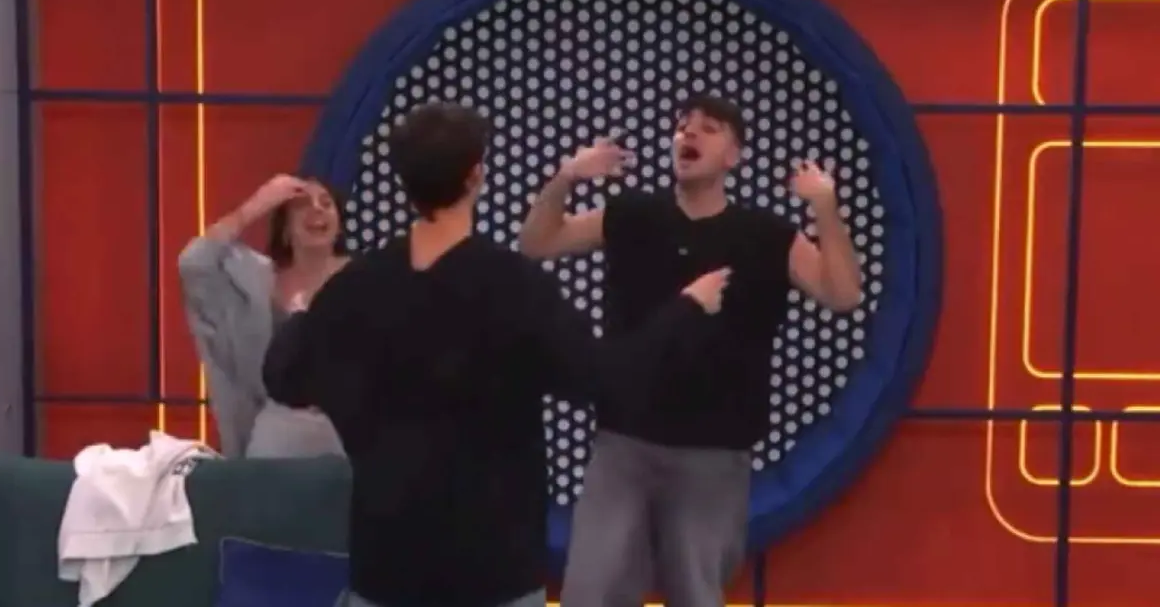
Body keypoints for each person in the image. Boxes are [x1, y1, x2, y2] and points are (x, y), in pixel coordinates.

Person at [274, 101, 730, 607]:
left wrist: (301, 317)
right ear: (476, 176)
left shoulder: (354, 288)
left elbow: (284, 377)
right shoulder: (515, 287)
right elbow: (603, 376)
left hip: (387, 566)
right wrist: (685, 309)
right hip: (494, 571)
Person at [518, 93, 864, 607]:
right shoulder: (631, 214)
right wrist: (566, 177)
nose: (690, 133)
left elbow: (843, 294)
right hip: (624, 444)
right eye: (683, 126)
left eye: (710, 127)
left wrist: (825, 208)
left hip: (714, 454)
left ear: (733, 156)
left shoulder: (767, 236)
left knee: (696, 594)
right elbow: (537, 243)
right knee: (590, 593)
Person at [178, 174, 349, 458]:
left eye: (326, 203)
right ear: (285, 228)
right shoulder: (256, 280)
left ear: (340, 223)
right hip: (279, 432)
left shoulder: (365, 276)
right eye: (302, 205)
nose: (316, 209)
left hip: (349, 430)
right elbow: (193, 263)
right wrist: (255, 206)